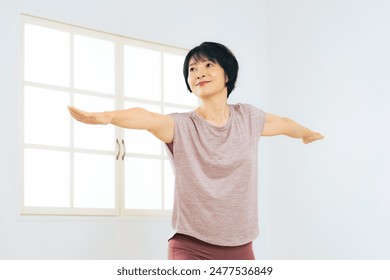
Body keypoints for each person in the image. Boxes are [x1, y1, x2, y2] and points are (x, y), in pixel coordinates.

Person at [68, 42, 324, 260]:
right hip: (191, 247)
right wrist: (108, 116)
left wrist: (306, 134)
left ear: (227, 75)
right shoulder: (181, 126)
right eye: (192, 69)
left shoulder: (248, 118)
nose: (199, 73)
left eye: (208, 65)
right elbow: (146, 118)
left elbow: (284, 124)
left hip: (241, 247)